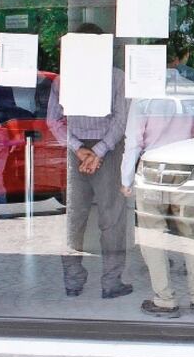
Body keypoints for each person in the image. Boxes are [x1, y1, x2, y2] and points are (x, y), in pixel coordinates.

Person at [45, 22, 131, 299]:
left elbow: (53, 121)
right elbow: (121, 120)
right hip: (107, 149)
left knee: (74, 217)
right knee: (112, 218)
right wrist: (99, 151)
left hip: (76, 151)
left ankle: (73, 281)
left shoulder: (63, 79)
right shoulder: (117, 77)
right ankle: (111, 282)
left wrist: (79, 149)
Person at [121, 45, 194, 318]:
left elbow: (132, 142)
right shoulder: (193, 91)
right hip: (186, 167)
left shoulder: (144, 95)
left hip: (153, 168)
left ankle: (165, 299)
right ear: (181, 58)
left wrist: (126, 179)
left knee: (153, 236)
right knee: (192, 234)